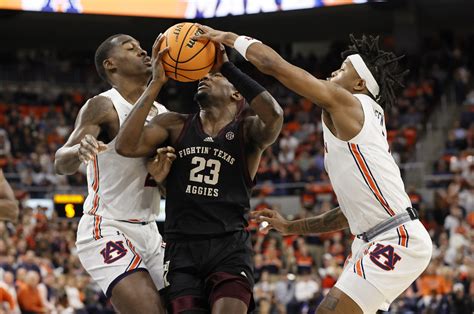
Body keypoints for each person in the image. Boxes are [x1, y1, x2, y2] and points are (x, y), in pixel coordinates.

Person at [194, 27, 433, 313]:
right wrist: (292, 227)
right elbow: (348, 213)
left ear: (359, 84)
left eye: (343, 68)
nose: (333, 72)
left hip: (396, 237)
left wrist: (231, 41)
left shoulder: (351, 103)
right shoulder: (359, 122)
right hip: (374, 236)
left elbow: (276, 67)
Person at [115, 35, 284, 313]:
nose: (203, 77)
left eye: (214, 75)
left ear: (236, 93)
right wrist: (156, 82)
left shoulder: (248, 130)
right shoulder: (174, 124)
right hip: (182, 249)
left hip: (228, 248)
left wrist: (227, 67)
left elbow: (275, 115)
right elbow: (125, 145)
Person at [54, 34, 172, 314]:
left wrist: (164, 177)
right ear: (111, 65)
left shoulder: (164, 113)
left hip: (151, 231)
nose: (144, 53)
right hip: (106, 227)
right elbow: (61, 161)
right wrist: (78, 150)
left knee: (191, 305)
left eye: (143, 49)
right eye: (131, 49)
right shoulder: (104, 105)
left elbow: (167, 188)